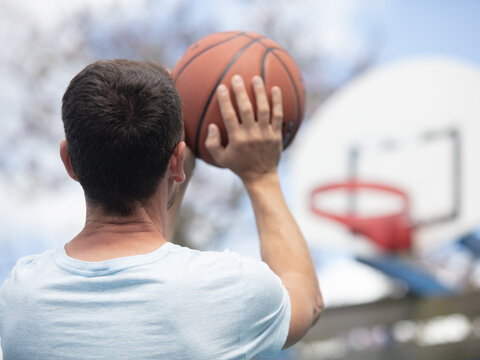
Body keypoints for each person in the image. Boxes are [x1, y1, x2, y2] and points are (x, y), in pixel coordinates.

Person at [0, 59, 323, 359]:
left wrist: (177, 167)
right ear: (177, 160)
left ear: (69, 161)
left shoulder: (18, 296)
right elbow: (306, 299)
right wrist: (261, 176)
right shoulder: (230, 288)